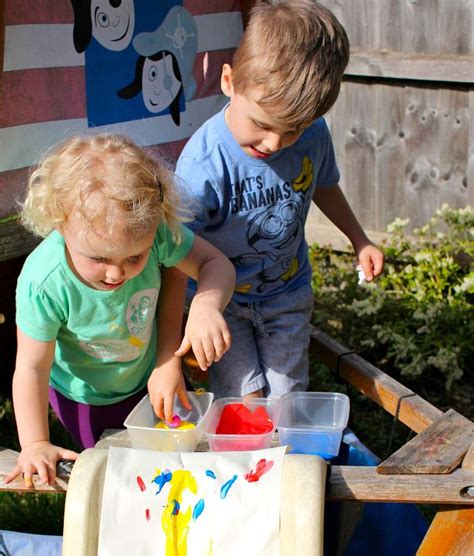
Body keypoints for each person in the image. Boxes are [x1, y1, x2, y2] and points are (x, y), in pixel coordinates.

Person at [175, 0, 384, 399]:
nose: (274, 143)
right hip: (224, 304)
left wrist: (359, 239)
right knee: (243, 400)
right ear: (228, 81)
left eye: (291, 131)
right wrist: (201, 307)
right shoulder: (204, 163)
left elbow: (323, 184)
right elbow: (175, 245)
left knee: (288, 399)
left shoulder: (313, 134)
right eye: (262, 124)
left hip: (287, 294)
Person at [6, 133, 235, 486]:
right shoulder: (44, 282)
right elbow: (31, 369)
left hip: (148, 378)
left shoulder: (156, 234)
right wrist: (35, 443)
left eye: (135, 258)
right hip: (83, 396)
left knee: (180, 466)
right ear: (60, 221)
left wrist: (205, 306)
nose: (117, 273)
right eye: (98, 258)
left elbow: (214, 263)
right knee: (117, 476)